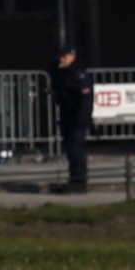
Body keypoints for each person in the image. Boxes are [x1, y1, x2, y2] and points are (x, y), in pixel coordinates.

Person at [49, 43, 98, 193]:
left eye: (64, 56)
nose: (61, 59)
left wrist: (83, 117)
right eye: (60, 56)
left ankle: (79, 179)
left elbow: (83, 97)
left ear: (72, 56)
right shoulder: (63, 72)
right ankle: (74, 177)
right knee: (71, 148)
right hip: (68, 115)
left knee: (77, 148)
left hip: (77, 116)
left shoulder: (78, 72)